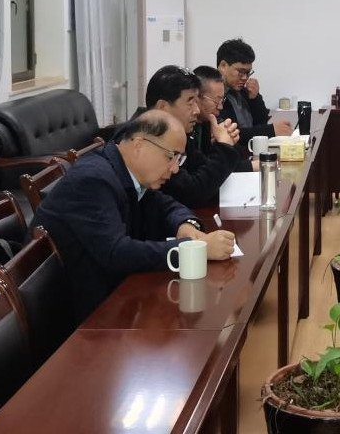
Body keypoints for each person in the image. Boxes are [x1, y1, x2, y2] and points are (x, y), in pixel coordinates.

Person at [31, 110, 236, 322]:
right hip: (80, 317)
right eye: (171, 156)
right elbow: (116, 253)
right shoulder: (92, 180)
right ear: (139, 145)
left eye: (179, 158)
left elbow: (165, 206)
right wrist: (191, 251)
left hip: (111, 293)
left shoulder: (127, 171)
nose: (175, 168)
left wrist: (186, 226)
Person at [144, 65, 241, 208]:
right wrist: (224, 148)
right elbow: (192, 193)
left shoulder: (181, 134)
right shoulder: (147, 140)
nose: (196, 110)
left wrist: (221, 146)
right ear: (162, 107)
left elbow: (202, 170)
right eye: (190, 103)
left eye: (196, 102)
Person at [216, 38, 291, 145]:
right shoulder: (213, 95)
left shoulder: (242, 90)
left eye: (248, 73)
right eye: (241, 72)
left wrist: (255, 98)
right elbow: (229, 134)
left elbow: (262, 121)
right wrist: (271, 130)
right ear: (223, 66)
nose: (245, 78)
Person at [193, 65, 256, 173]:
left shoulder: (209, 121)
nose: (220, 107)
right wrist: (223, 146)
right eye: (216, 101)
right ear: (197, 97)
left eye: (222, 100)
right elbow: (201, 171)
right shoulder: (185, 128)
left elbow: (234, 159)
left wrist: (229, 143)